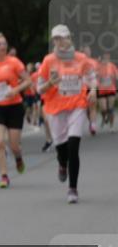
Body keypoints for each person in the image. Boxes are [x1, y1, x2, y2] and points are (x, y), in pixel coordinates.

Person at [38, 26, 97, 204]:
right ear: (53, 41)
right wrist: (50, 83)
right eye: (56, 39)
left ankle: (73, 188)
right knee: (62, 150)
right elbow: (39, 88)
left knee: (73, 146)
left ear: (70, 39)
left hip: (77, 106)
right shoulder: (48, 61)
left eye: (63, 38)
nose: (60, 42)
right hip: (56, 109)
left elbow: (91, 77)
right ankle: (62, 164)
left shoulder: (81, 59)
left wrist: (93, 90)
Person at [0, 33, 31, 189]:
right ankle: (4, 175)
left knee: (14, 145)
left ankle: (18, 157)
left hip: (14, 107)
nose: (3, 47)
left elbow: (28, 80)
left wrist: (15, 89)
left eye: (4, 44)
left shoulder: (14, 62)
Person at [79, 45, 100, 135]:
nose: (88, 52)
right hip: (82, 88)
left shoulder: (94, 62)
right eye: (86, 51)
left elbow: (98, 73)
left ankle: (93, 125)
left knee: (92, 106)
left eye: (89, 50)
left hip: (92, 87)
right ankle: (91, 121)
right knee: (86, 108)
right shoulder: (79, 62)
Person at [97, 53, 117, 128]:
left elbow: (116, 75)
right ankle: (104, 117)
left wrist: (114, 77)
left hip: (111, 89)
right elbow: (95, 77)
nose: (106, 59)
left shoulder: (112, 66)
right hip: (101, 90)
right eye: (105, 57)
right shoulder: (98, 66)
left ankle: (111, 126)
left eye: (108, 57)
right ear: (102, 58)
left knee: (110, 108)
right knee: (104, 108)